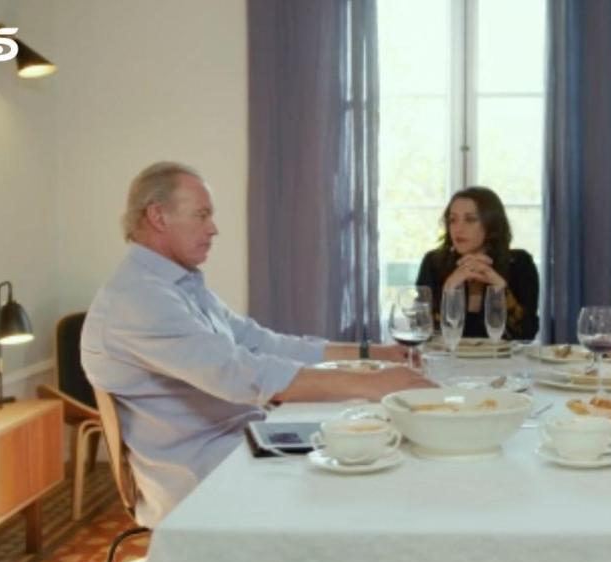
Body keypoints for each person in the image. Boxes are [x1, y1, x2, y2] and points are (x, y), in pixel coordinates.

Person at [81, 162, 433, 527]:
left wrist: (370, 354)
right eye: (202, 215)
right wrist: (369, 382)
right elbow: (239, 375)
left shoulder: (179, 285)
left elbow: (261, 343)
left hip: (244, 443)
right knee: (374, 474)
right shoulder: (139, 297)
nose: (213, 228)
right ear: (157, 216)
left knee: (372, 442)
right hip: (207, 477)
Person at [415, 186, 539, 341]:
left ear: (491, 224)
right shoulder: (433, 262)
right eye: (453, 220)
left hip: (502, 357)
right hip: (447, 356)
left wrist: (500, 288)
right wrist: (450, 288)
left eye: (470, 220)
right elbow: (422, 331)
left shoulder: (519, 262)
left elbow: (527, 333)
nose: (458, 229)